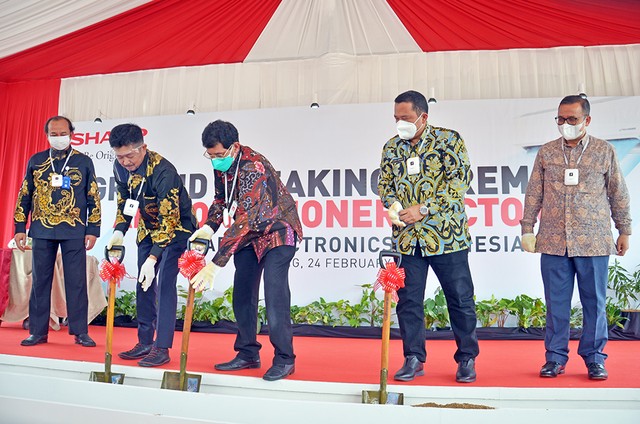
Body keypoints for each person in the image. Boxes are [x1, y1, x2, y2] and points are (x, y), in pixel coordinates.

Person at [521, 95, 631, 381]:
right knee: (556, 303)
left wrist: (625, 230)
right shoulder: (546, 153)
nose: (565, 124)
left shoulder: (603, 151)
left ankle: (595, 358)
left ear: (587, 120)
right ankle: (555, 358)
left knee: (594, 302)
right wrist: (527, 228)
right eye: (560, 119)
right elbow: (534, 193)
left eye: (572, 119)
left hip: (593, 239)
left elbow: (618, 193)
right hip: (554, 240)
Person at [378, 90, 479, 383]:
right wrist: (393, 205)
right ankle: (413, 358)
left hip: (448, 237)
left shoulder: (449, 140)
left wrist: (423, 209)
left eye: (406, 118)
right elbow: (385, 184)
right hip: (407, 239)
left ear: (423, 117)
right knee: (408, 301)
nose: (400, 124)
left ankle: (467, 359)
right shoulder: (391, 148)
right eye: (397, 118)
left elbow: (459, 182)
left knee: (460, 299)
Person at [189, 119, 303, 381]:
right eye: (211, 155)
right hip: (250, 234)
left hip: (278, 229)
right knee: (242, 294)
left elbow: (245, 218)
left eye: (219, 154)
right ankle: (248, 352)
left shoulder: (253, 165)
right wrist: (208, 227)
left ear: (234, 146)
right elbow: (221, 201)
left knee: (275, 294)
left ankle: (285, 359)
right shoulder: (223, 165)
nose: (215, 160)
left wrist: (215, 264)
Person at [107, 123, 197, 367]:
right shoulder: (120, 167)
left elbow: (169, 221)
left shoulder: (164, 171)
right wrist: (119, 230)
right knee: (143, 284)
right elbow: (125, 201)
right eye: (120, 156)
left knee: (165, 284)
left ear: (143, 148)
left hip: (176, 228)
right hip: (148, 227)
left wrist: (153, 258)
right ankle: (145, 341)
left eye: (130, 155)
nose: (125, 162)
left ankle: (162, 347)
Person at [14, 115, 102, 347]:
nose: (59, 137)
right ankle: (38, 331)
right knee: (40, 282)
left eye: (63, 133)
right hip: (41, 230)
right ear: (47, 135)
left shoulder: (83, 162)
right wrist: (20, 227)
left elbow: (93, 195)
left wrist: (93, 228)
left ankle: (80, 331)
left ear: (72, 133)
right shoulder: (36, 160)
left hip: (74, 230)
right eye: (54, 134)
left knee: (77, 282)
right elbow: (25, 194)